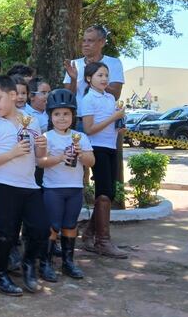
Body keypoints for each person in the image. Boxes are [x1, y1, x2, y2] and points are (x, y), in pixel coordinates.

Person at [0, 75, 48, 296]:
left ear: (13, 95)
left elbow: (39, 157)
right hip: (4, 185)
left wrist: (42, 145)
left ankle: (29, 264)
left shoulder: (32, 121)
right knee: (6, 234)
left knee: (40, 228)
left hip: (30, 185)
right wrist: (12, 153)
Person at [38, 89, 95, 279]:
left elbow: (91, 162)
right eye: (57, 114)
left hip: (75, 189)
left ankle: (68, 262)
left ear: (73, 115)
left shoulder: (81, 137)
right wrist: (61, 157)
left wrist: (81, 153)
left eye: (66, 114)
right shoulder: (47, 137)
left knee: (70, 225)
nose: (61, 118)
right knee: (53, 226)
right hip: (53, 189)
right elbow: (41, 162)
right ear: (50, 116)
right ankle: (45, 264)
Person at [79, 62, 128, 259]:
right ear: (89, 78)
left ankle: (90, 233)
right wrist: (113, 117)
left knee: (109, 192)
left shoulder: (110, 98)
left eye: (106, 75)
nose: (105, 78)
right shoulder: (88, 99)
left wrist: (119, 125)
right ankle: (103, 241)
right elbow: (89, 129)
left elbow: (112, 124)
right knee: (104, 192)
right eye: (100, 75)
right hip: (96, 148)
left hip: (110, 147)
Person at [63, 24, 124, 109]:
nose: (85, 44)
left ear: (102, 42)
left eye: (90, 41)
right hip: (78, 118)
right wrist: (73, 79)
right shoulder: (74, 65)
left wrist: (93, 75)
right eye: (84, 41)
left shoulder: (114, 63)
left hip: (103, 118)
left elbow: (115, 95)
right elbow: (68, 97)